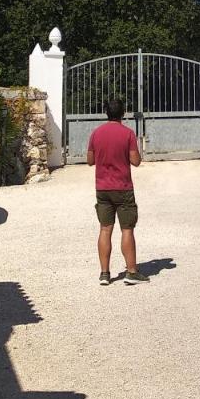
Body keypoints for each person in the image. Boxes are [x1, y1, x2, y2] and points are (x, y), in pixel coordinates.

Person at [87, 97, 148, 286]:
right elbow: (136, 161)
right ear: (123, 113)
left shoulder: (96, 134)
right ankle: (131, 272)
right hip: (123, 188)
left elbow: (90, 160)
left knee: (105, 229)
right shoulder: (128, 133)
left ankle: (104, 273)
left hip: (103, 188)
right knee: (127, 230)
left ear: (107, 112)